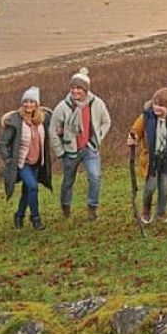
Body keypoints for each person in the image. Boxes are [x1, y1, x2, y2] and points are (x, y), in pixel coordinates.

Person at [49, 67, 111, 220]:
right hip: (70, 151)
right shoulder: (62, 107)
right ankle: (66, 207)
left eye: (79, 88)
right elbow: (52, 131)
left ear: (86, 89)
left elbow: (106, 122)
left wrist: (97, 138)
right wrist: (60, 153)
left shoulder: (96, 103)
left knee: (95, 177)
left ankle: (92, 208)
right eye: (73, 88)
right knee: (68, 181)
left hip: (90, 148)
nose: (75, 91)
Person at [127, 87, 167, 224]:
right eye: (155, 104)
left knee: (164, 188)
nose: (157, 108)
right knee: (150, 187)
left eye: (161, 105)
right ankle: (146, 211)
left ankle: (161, 213)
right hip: (152, 160)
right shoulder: (146, 117)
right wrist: (133, 137)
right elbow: (136, 130)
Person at [0, 86, 53, 231]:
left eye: (31, 102)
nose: (28, 105)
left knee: (27, 191)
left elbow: (56, 126)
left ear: (37, 104)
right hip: (22, 163)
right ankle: (35, 218)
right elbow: (2, 143)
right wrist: (9, 160)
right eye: (26, 101)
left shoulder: (42, 119)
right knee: (33, 187)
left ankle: (19, 215)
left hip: (36, 163)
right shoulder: (16, 121)